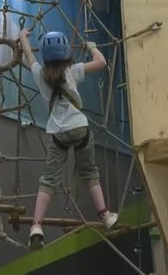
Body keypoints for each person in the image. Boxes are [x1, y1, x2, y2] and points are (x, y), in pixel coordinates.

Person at [19, 29, 118, 250]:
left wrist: (23, 37)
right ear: (66, 52)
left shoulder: (39, 73)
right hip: (81, 129)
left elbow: (29, 57)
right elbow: (101, 62)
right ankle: (105, 215)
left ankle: (36, 225)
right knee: (90, 173)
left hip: (58, 133)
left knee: (48, 180)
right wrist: (92, 46)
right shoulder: (72, 71)